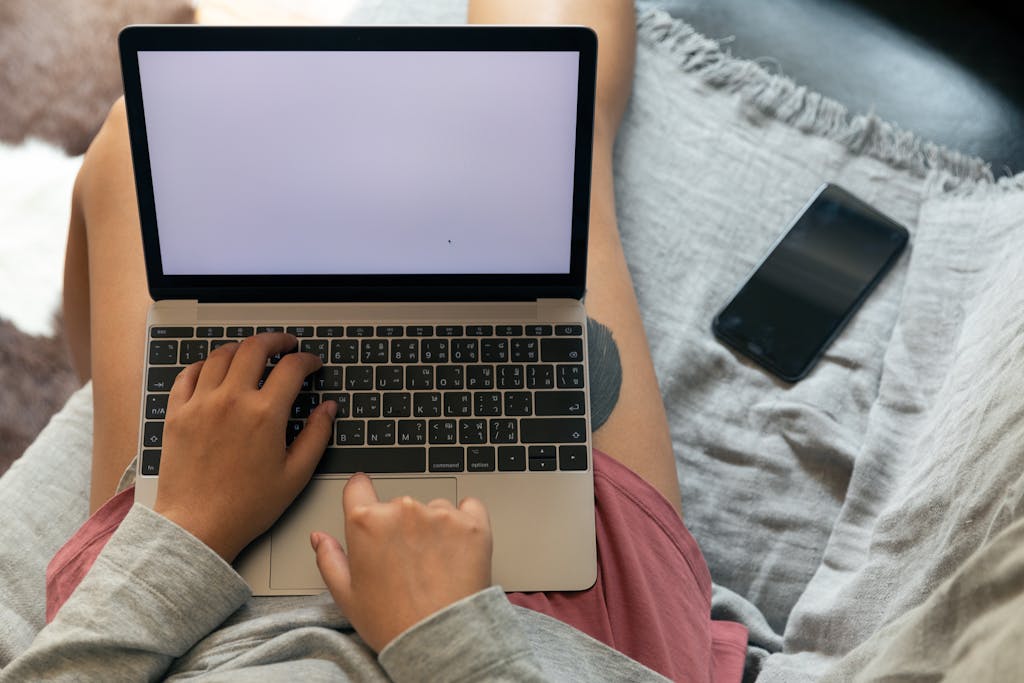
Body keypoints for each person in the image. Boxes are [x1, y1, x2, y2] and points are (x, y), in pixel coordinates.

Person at [1, 1, 747, 680]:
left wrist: (185, 527)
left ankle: (96, 400)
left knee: (139, 141)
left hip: (194, 622)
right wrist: (447, 639)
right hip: (549, 645)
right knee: (554, 145)